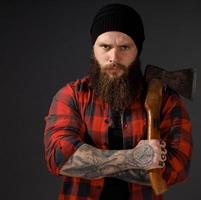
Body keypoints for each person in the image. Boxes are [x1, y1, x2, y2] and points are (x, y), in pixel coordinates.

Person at [44, 3, 192, 200]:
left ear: (137, 50)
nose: (114, 57)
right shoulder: (71, 96)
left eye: (124, 47)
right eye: (105, 46)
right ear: (93, 48)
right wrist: (134, 158)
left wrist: (92, 162)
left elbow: (177, 168)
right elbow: (59, 158)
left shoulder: (164, 100)